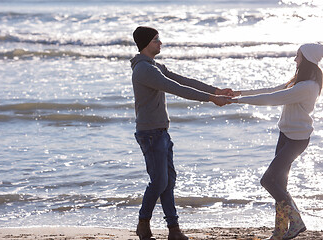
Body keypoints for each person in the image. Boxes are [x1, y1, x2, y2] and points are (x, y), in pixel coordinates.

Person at [130, 26, 232, 240]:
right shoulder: (144, 70)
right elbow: (176, 88)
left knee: (168, 181)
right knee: (159, 181)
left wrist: (215, 90)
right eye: (157, 39)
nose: (161, 42)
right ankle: (143, 223)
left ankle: (174, 230)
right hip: (150, 134)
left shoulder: (154, 66)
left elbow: (183, 80)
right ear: (147, 43)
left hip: (161, 132)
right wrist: (211, 99)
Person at [229, 43, 323, 240]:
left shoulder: (307, 86)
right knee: (280, 184)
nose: (294, 59)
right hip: (286, 135)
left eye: (298, 56)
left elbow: (273, 98)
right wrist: (239, 93)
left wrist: (236, 102)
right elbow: (272, 90)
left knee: (268, 180)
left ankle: (296, 221)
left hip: (296, 140)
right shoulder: (299, 80)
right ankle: (280, 231)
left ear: (306, 58)